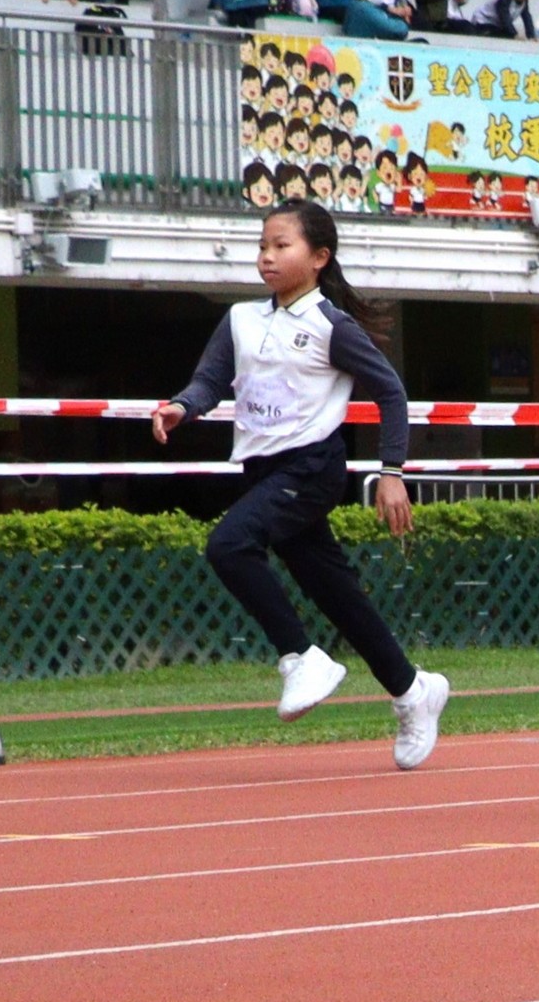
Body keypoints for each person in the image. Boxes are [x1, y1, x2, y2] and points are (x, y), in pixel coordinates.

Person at [149, 200, 453, 768]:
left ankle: (299, 657)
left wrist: (391, 474)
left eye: (281, 246)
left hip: (311, 469)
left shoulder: (330, 326)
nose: (267, 256)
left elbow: (391, 394)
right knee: (338, 596)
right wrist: (180, 408)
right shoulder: (241, 318)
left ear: (318, 258)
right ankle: (414, 691)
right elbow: (211, 381)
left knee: (229, 544)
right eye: (262, 245)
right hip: (263, 473)